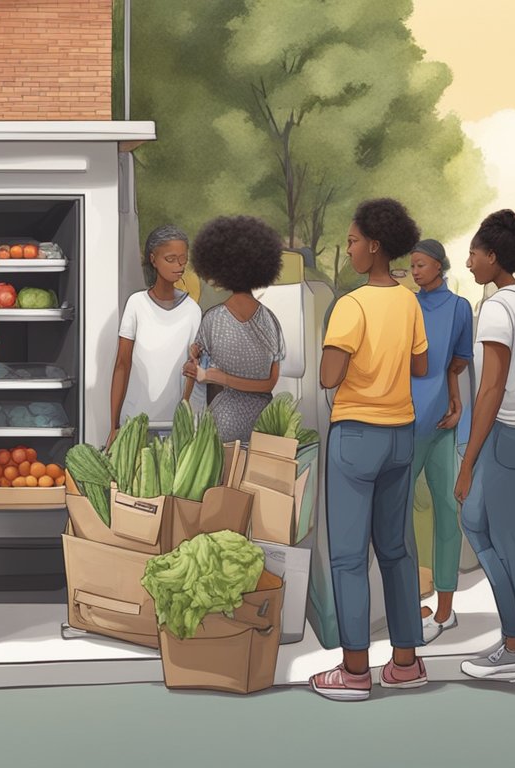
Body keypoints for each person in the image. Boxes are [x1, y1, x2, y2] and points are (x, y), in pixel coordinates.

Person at [310, 199, 429, 701]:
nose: (351, 248)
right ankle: (406, 662)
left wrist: (355, 363)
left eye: (355, 240)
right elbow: (420, 368)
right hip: (401, 434)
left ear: (375, 245)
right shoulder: (408, 301)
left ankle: (355, 671)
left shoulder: (351, 305)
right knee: (397, 551)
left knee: (348, 557)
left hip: (357, 435)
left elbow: (327, 376)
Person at [455, 210, 515, 684]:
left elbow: (490, 390)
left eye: (474, 253)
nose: (469, 261)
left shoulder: (496, 308)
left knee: (505, 535)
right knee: (477, 522)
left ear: (493, 257)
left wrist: (468, 461)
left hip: (510, 431)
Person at [404, 239, 472, 643]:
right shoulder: (405, 304)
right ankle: (410, 602)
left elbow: (458, 361)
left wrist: (457, 399)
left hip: (443, 421)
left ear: (440, 267)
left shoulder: (460, 308)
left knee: (448, 510)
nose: (415, 271)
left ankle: (445, 610)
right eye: (411, 265)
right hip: (405, 419)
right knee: (400, 512)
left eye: (421, 265)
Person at [181, 215, 286, 444]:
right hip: (264, 425)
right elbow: (269, 384)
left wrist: (209, 376)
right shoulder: (271, 321)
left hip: (223, 423)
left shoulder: (212, 319)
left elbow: (194, 367)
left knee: (224, 480)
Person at [108, 225, 202, 444]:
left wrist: (185, 420)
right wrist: (114, 426)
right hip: (134, 424)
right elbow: (122, 363)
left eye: (183, 259)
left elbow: (193, 370)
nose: (179, 266)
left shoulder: (192, 311)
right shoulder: (136, 304)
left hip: (175, 427)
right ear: (153, 259)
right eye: (170, 259)